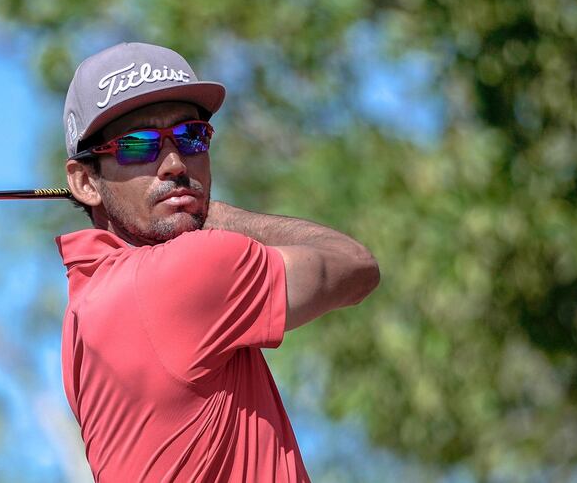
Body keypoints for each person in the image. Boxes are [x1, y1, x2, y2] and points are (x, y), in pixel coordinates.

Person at [56, 42, 380, 482]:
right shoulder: (191, 270)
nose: (173, 163)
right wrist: (214, 214)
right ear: (84, 182)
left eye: (191, 136)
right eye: (138, 145)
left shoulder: (82, 314)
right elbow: (355, 267)